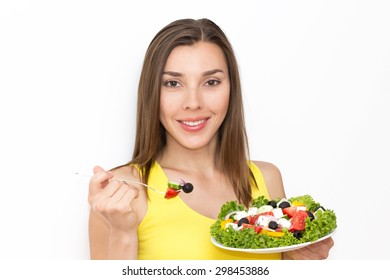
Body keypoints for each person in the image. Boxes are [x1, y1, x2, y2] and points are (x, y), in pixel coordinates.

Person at [87, 18, 334, 260]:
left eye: (211, 82)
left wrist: (305, 264)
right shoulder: (123, 192)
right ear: (152, 92)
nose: (193, 103)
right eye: (173, 83)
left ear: (231, 89)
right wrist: (122, 232)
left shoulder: (267, 179)